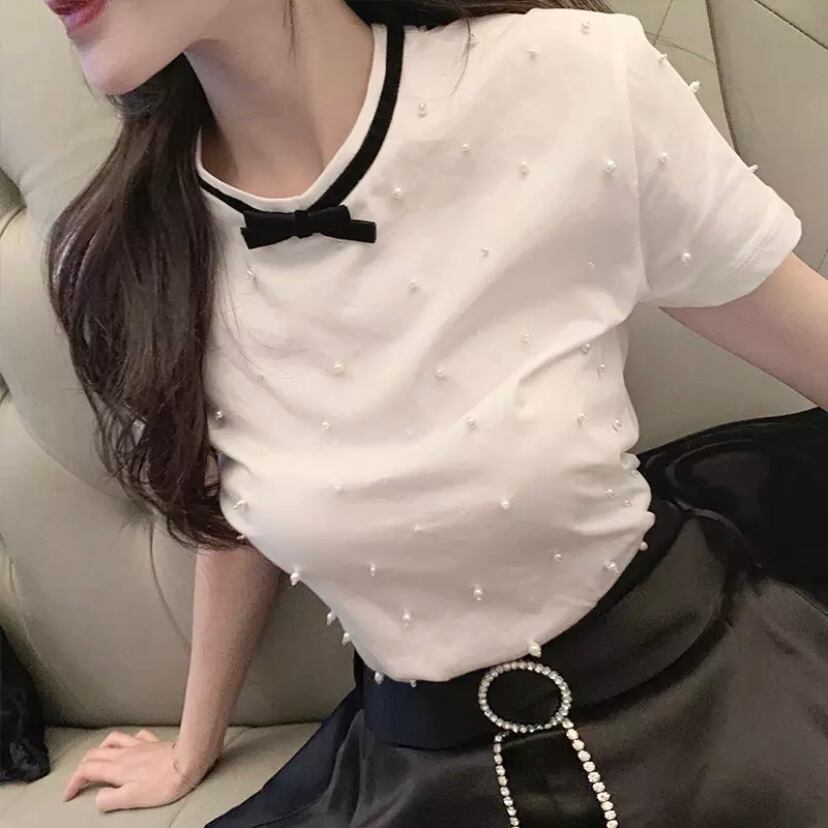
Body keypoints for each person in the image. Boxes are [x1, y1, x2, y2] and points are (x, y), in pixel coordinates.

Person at [43, 0, 828, 825]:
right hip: (426, 767)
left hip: (703, 689)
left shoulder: (570, 80)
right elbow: (232, 511)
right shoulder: (142, 252)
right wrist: (191, 744)